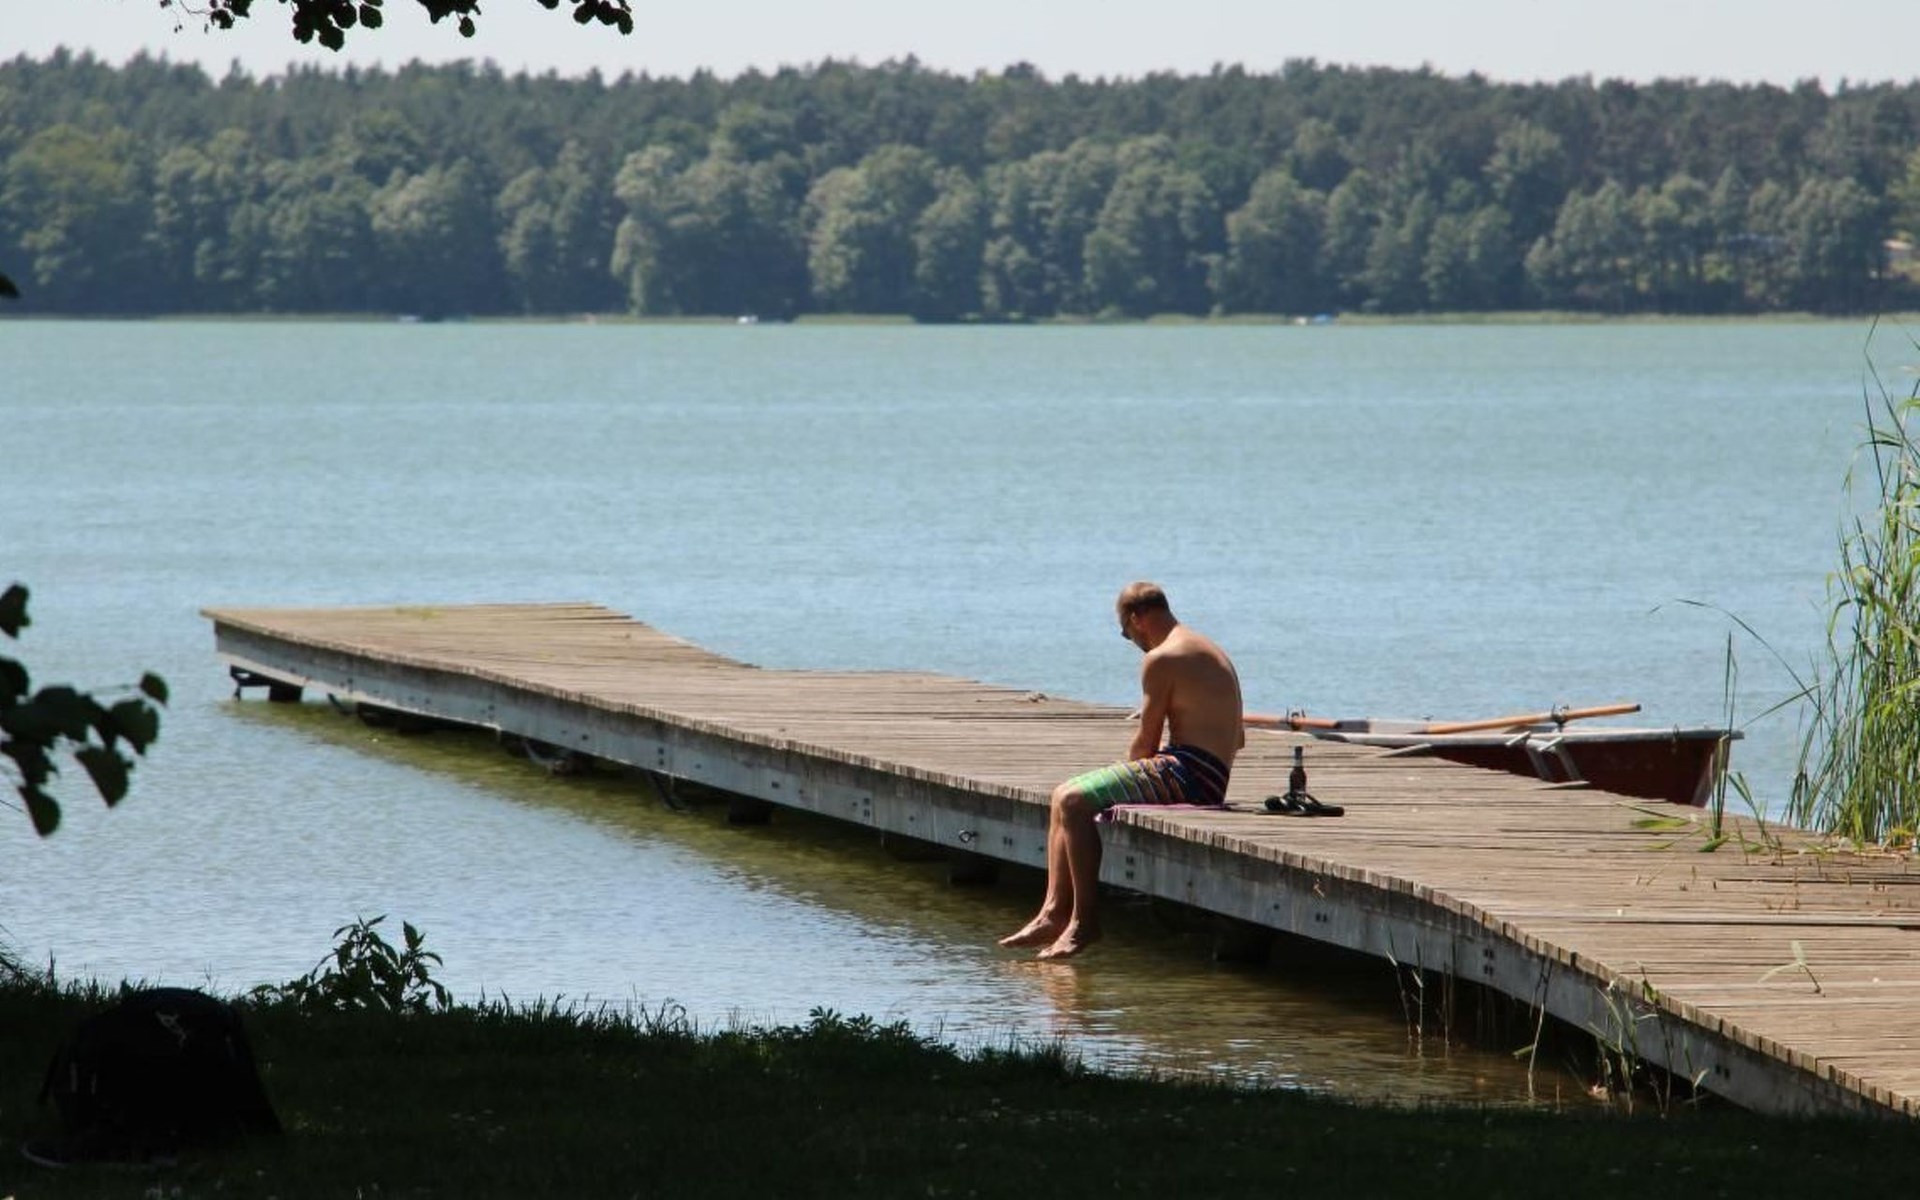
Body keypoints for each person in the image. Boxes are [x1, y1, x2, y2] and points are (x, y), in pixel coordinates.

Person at [1000, 582, 1245, 960]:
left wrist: (1129, 772)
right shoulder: (1207, 648)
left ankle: (1083, 922)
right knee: (1062, 793)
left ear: (1137, 618)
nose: (1131, 641)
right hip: (1209, 770)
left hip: (1192, 775)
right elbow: (1238, 739)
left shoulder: (1162, 657)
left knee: (1075, 800)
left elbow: (1146, 742)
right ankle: (1052, 913)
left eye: (1125, 632)